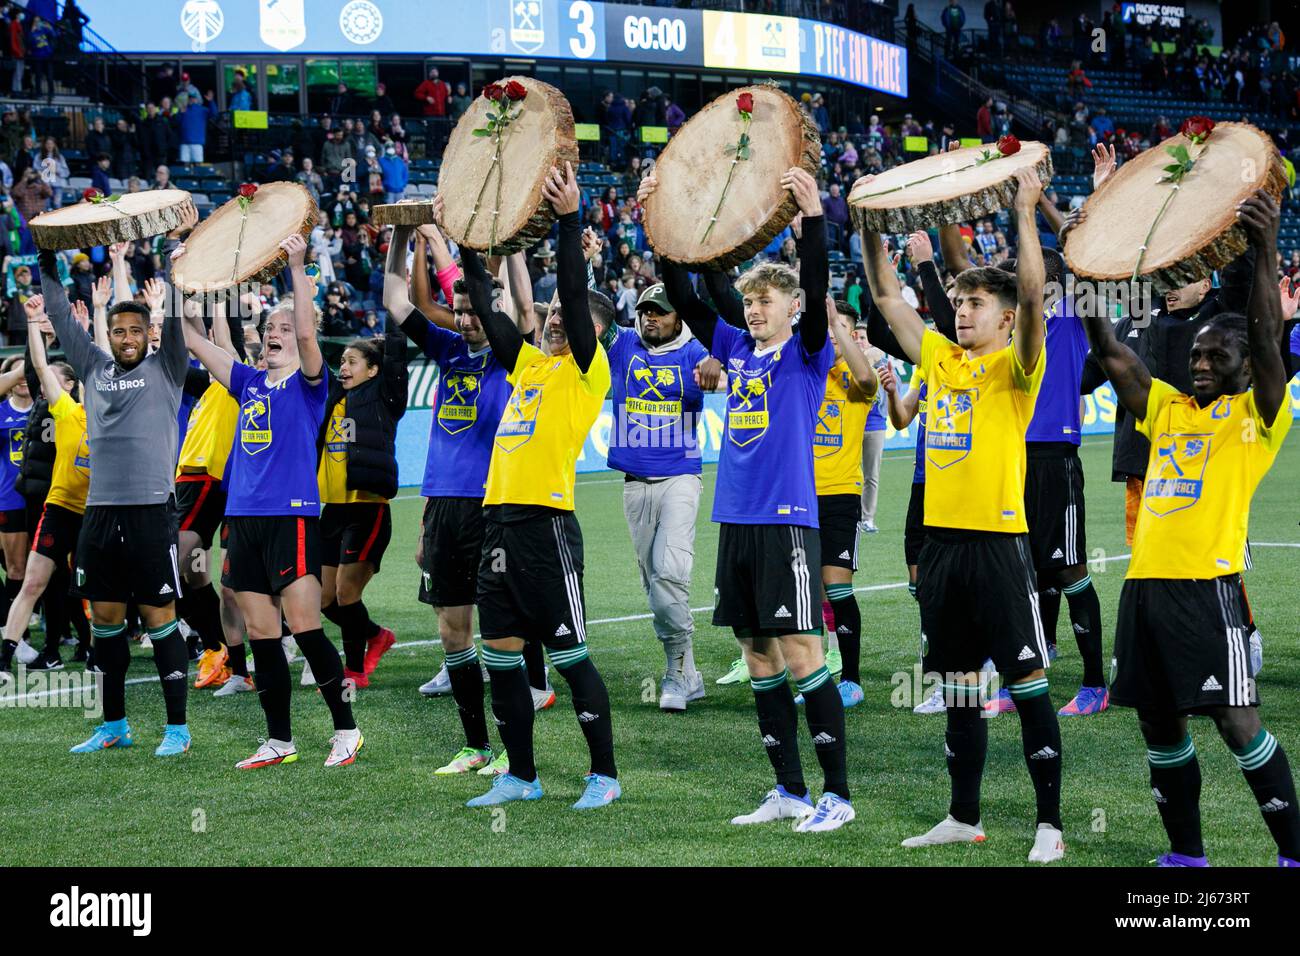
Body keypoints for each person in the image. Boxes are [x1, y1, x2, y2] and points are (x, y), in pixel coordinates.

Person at [1082, 189, 1299, 868]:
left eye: (1214, 359)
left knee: (1238, 724)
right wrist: (1088, 274)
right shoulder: (1168, 407)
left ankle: (1292, 853)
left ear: (1244, 367)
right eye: (1197, 356)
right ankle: (1187, 854)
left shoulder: (1258, 418)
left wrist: (1264, 248)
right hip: (1144, 592)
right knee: (1157, 723)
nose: (1200, 364)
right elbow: (1111, 352)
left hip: (1210, 591)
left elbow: (1266, 338)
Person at [860, 166, 1065, 862]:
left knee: (1028, 686)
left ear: (1004, 319)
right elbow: (887, 295)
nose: (963, 310)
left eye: (976, 302)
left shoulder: (1017, 367)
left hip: (1001, 547)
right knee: (956, 690)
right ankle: (963, 815)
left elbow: (1035, 294)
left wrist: (1028, 212)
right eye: (959, 301)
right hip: (942, 549)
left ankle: (1050, 825)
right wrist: (868, 223)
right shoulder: (941, 360)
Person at [663, 165, 852, 833]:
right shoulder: (736, 347)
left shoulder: (807, 352)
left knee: (802, 651)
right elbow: (691, 293)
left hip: (786, 522)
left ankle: (838, 795)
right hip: (736, 521)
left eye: (768, 300)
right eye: (750, 300)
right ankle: (790, 790)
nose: (754, 307)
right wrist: (666, 223)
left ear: (793, 308)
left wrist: (813, 220)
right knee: (756, 653)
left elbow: (820, 279)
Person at [459, 162, 622, 811]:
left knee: (571, 656)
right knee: (501, 659)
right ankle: (521, 776)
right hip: (496, 524)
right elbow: (484, 299)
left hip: (547, 526)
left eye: (567, 315)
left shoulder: (588, 372)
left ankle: (603, 775)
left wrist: (571, 216)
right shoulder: (528, 364)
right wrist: (468, 238)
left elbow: (577, 299)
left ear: (594, 332)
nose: (555, 319)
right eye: (550, 313)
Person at [181, 235, 362, 770]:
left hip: (292, 518)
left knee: (305, 629)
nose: (275, 335)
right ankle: (279, 739)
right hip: (244, 521)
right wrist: (184, 283)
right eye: (269, 330)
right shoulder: (247, 382)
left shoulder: (310, 384)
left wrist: (299, 265)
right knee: (263, 636)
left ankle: (346, 730)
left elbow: (307, 328)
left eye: (283, 330)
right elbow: (193, 340)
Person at [36, 242, 192, 759]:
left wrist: (174, 269)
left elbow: (176, 322)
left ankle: (177, 728)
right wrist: (47, 260)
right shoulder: (93, 367)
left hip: (150, 512)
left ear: (149, 335)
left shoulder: (167, 368)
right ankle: (114, 725)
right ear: (111, 334)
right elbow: (59, 312)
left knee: (158, 615)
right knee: (105, 619)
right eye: (119, 330)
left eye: (135, 331)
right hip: (99, 514)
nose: (127, 338)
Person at [605, 278, 719, 711]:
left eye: (661, 311)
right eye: (647, 310)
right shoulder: (623, 345)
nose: (651, 317)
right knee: (654, 585)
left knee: (670, 572)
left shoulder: (695, 352)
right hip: (634, 483)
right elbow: (588, 311)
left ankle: (676, 671)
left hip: (680, 478)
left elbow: (729, 369)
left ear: (680, 317)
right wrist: (588, 262)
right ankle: (687, 671)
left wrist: (718, 363)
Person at [0, 298, 87, 677]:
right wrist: (34, 323)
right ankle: (10, 654)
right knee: (36, 581)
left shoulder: (96, 409)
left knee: (93, 586)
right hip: (55, 505)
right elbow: (37, 367)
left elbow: (92, 367)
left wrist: (80, 332)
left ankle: (93, 646)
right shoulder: (58, 408)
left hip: (97, 508)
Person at [316, 328, 406, 688]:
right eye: (341, 361)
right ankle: (376, 635)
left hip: (368, 508)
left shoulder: (384, 398)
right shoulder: (331, 397)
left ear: (372, 370)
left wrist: (397, 315)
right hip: (332, 511)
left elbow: (397, 359)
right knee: (322, 600)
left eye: (352, 362)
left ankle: (353, 671)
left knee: (345, 593)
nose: (344, 367)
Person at [171, 296, 245, 693]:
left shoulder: (233, 377)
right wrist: (180, 297)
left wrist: (219, 294)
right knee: (192, 573)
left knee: (166, 567)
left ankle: (216, 647)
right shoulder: (208, 384)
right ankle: (219, 649)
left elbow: (219, 340)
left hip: (203, 481)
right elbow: (195, 337)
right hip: (186, 480)